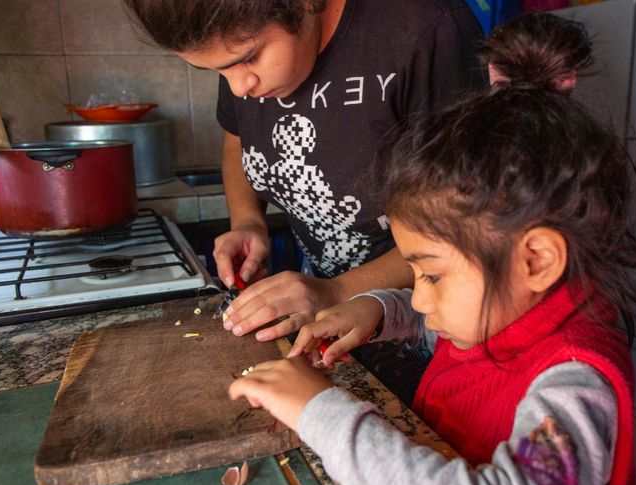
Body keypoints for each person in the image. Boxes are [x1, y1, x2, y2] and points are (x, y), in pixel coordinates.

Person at [227, 13, 636, 485]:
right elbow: (446, 330)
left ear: (537, 261)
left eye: (433, 276)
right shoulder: (507, 305)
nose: (420, 298)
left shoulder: (574, 386)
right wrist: (378, 311)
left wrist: (320, 412)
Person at [123, 0, 486, 347]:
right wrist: (248, 222)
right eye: (217, 70)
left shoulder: (426, 30)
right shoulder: (236, 46)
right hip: (322, 297)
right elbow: (238, 141)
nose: (238, 87)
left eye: (247, 59)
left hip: (430, 317)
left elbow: (465, 224)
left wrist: (336, 291)